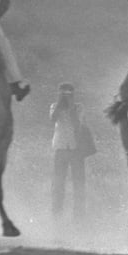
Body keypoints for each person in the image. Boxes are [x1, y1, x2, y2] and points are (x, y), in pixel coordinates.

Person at [49, 82, 89, 220]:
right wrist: (60, 103)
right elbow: (52, 119)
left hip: (75, 149)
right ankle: (57, 214)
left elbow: (77, 123)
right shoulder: (55, 106)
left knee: (78, 183)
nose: (66, 96)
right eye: (63, 93)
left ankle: (79, 216)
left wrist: (71, 106)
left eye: (68, 93)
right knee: (58, 183)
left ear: (73, 94)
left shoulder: (79, 107)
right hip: (60, 148)